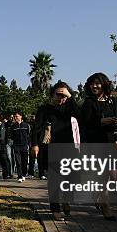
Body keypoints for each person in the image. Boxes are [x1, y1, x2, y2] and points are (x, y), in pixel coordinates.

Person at [32, 81, 80, 219]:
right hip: (51, 147)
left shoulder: (68, 107)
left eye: (63, 94)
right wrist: (35, 144)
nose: (61, 97)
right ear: (52, 94)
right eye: (58, 94)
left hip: (69, 146)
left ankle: (66, 199)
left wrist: (70, 97)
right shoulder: (44, 109)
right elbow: (37, 127)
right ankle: (55, 209)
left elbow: (80, 115)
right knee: (55, 180)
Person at [80, 72, 117, 221]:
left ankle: (98, 195)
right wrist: (102, 121)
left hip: (110, 141)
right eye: (92, 83)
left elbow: (116, 118)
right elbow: (85, 124)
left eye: (97, 83)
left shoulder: (112, 101)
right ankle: (106, 206)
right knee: (103, 174)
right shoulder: (88, 102)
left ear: (104, 84)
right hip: (94, 143)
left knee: (113, 175)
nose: (95, 86)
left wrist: (116, 130)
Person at [10, 111, 31, 182]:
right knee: (18, 162)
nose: (16, 118)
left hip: (24, 146)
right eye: (15, 116)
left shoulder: (26, 125)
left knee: (24, 161)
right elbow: (11, 136)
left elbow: (29, 135)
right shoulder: (13, 126)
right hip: (16, 146)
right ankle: (19, 176)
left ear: (21, 116)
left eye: (17, 116)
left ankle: (24, 174)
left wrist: (28, 144)